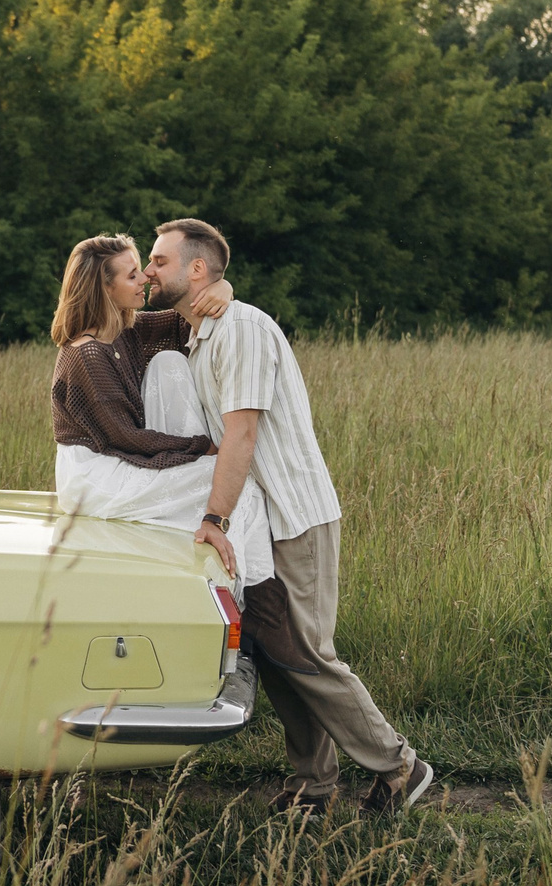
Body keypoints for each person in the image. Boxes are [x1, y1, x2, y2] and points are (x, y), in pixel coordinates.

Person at [143, 217, 433, 817]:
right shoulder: (199, 331)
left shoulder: (240, 329)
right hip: (260, 524)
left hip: (292, 517)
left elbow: (241, 435)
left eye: (159, 261)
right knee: (279, 655)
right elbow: (115, 321)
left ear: (197, 269)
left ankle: (399, 765)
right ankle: (315, 785)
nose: (149, 271)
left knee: (307, 653)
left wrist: (214, 519)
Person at [48, 234, 273, 585]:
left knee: (169, 362)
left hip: (116, 458)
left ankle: (249, 588)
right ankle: (252, 595)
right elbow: (126, 438)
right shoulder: (87, 354)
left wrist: (222, 286)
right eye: (133, 275)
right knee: (234, 483)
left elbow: (187, 318)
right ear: (105, 289)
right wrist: (202, 448)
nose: (146, 279)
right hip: (94, 476)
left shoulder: (124, 331)